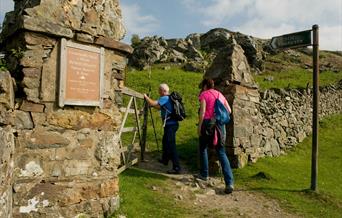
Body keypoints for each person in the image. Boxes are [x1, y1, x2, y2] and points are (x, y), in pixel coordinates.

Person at [196, 78, 234, 194]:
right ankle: (229, 183)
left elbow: (202, 112)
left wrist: (199, 126)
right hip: (219, 125)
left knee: (203, 148)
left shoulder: (204, 94)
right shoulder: (220, 94)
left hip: (207, 123)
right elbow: (229, 110)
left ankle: (204, 174)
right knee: (221, 152)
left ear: (205, 86)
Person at [144, 83, 181, 174]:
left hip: (170, 125)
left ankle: (176, 167)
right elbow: (159, 107)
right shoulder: (169, 99)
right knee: (165, 141)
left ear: (163, 91)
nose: (158, 92)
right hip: (172, 124)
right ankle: (165, 160)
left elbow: (153, 103)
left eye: (159, 91)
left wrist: (145, 97)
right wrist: (152, 105)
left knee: (171, 145)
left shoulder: (165, 98)